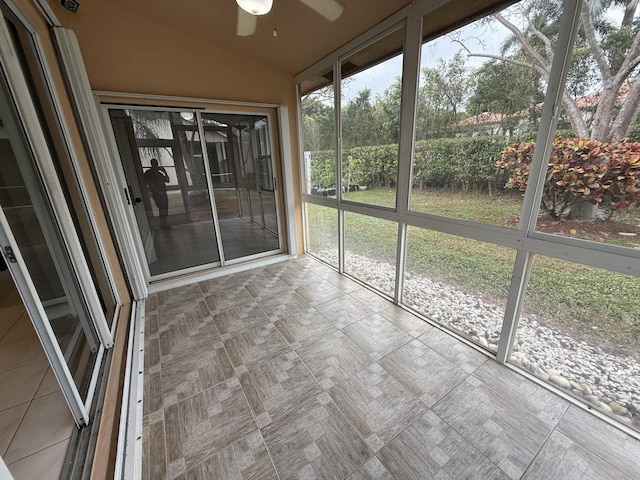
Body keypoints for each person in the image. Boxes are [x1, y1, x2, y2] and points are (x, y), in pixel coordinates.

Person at [144, 158, 170, 229]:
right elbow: (150, 183)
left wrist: (164, 171)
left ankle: (164, 224)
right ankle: (163, 224)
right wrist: (158, 191)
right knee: (161, 208)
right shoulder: (149, 173)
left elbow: (167, 180)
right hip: (157, 194)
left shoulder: (159, 174)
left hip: (163, 193)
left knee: (165, 209)